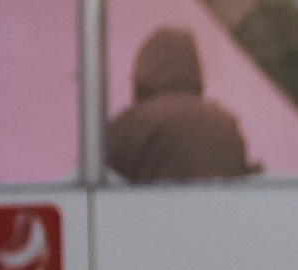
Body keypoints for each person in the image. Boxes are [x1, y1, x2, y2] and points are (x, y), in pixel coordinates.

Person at [106, 26, 254, 182]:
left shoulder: (133, 123)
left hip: (156, 206)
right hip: (217, 206)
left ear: (142, 70)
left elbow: (98, 189)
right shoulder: (225, 122)